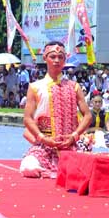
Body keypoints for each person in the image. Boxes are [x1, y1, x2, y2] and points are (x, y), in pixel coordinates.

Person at [19, 41, 92, 178]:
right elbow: (28, 118)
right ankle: (56, 171)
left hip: (70, 144)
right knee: (28, 167)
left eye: (61, 57)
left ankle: (62, 170)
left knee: (88, 169)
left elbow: (87, 116)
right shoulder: (35, 86)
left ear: (65, 60)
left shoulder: (74, 86)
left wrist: (74, 136)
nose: (57, 60)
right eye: (53, 56)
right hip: (45, 145)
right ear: (45, 58)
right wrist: (43, 138)